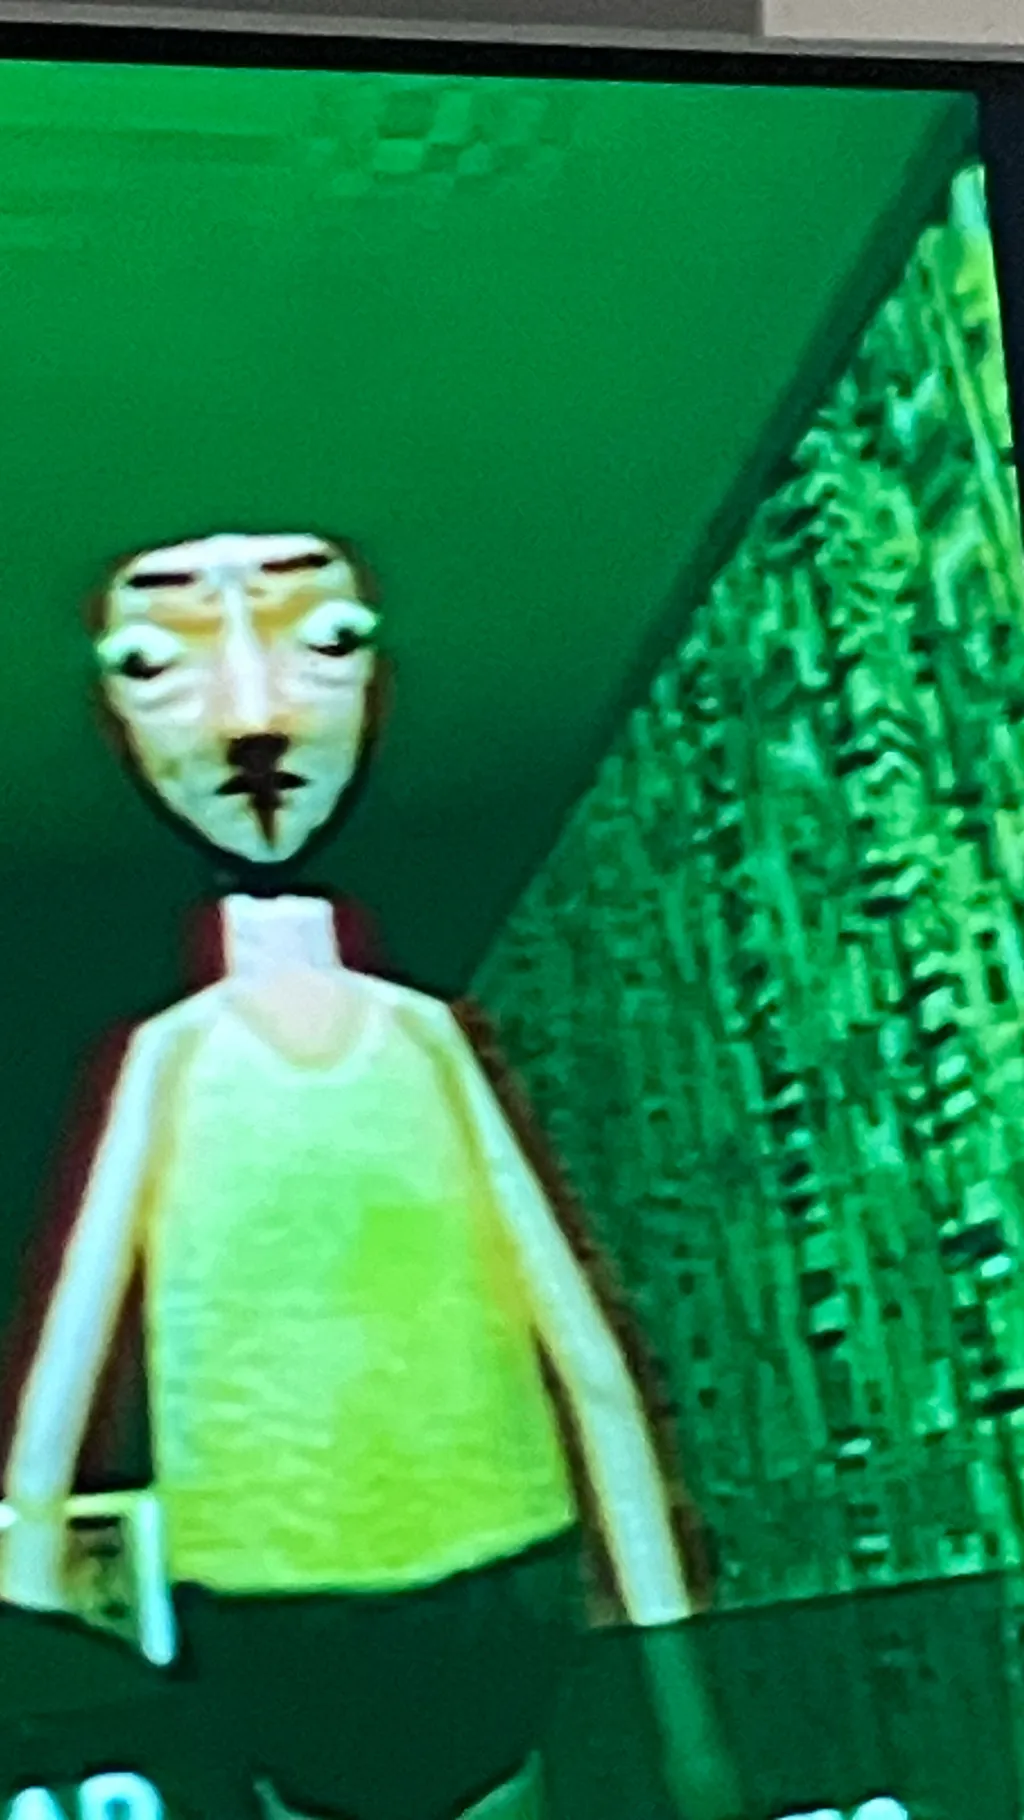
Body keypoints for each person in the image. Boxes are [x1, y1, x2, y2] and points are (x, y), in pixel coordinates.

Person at [0, 531, 743, 1820]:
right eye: (158, 664)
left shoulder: (424, 1041)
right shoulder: (173, 1061)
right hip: (275, 1603)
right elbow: (57, 1403)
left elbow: (586, 1358)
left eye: (324, 643)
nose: (253, 717)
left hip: (496, 1575)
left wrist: (684, 1700)